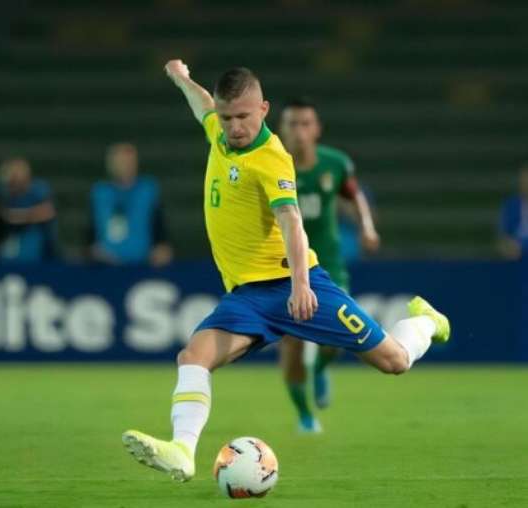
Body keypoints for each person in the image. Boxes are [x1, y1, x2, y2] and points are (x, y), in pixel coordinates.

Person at [121, 61, 451, 484]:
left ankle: (425, 320)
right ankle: (183, 451)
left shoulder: (271, 159)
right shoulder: (218, 134)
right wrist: (181, 79)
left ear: (263, 110)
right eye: (227, 117)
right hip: (246, 298)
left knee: (393, 361)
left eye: (243, 116)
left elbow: (292, 221)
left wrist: (300, 285)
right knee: (193, 356)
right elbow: (201, 104)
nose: (234, 126)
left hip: (297, 285)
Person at [276, 97, 381, 433]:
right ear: (282, 129)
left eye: (306, 124)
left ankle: (320, 369)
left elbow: (353, 195)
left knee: (335, 339)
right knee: (292, 345)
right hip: (282, 266)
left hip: (327, 265)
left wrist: (366, 227)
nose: (300, 131)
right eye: (293, 124)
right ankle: (305, 416)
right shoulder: (270, 163)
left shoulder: (334, 164)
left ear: (317, 129)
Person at [87, 142, 173, 267]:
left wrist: (161, 249)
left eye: (129, 161)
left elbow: (160, 228)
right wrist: (94, 252)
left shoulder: (148, 190)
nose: (125, 166)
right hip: (105, 267)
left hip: (143, 266)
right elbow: (90, 235)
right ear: (111, 163)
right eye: (120, 161)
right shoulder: (100, 193)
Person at [0, 157, 57, 263]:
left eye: (19, 175)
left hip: (33, 240)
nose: (15, 181)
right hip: (6, 239)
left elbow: (47, 212)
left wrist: (15, 217)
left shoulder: (38, 189)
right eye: (12, 177)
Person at [497, 164, 528, 260]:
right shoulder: (511, 205)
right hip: (514, 255)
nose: (525, 183)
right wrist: (507, 246)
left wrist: (523, 246)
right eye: (523, 179)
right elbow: (502, 235)